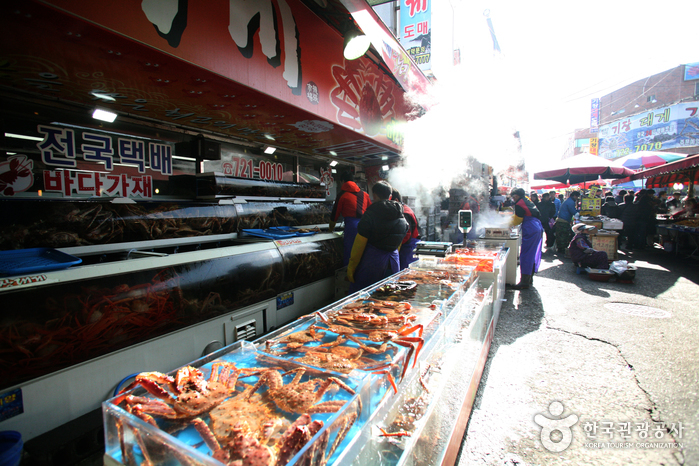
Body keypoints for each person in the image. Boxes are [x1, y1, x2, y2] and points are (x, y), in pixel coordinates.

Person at [347, 181, 408, 294]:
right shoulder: (401, 216)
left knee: (366, 298)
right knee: (389, 296)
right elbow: (398, 244)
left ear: (374, 195)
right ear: (390, 196)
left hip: (372, 266)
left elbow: (359, 245)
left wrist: (351, 267)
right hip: (394, 263)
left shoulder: (370, 215)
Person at [329, 170, 371, 266]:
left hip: (351, 227)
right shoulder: (365, 194)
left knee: (350, 253)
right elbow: (371, 211)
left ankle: (348, 277)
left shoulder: (342, 195)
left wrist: (330, 229)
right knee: (363, 253)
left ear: (343, 181)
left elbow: (334, 215)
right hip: (365, 226)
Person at [508, 187, 543, 290]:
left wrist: (505, 223)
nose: (513, 199)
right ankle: (528, 279)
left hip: (531, 228)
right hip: (536, 226)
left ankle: (524, 283)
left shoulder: (519, 204)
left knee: (526, 255)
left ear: (516, 196)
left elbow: (517, 220)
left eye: (513, 197)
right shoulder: (526, 199)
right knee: (531, 254)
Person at [392, 189, 421, 270]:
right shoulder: (404, 209)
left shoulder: (404, 213)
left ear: (396, 200)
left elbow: (405, 237)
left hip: (408, 249)